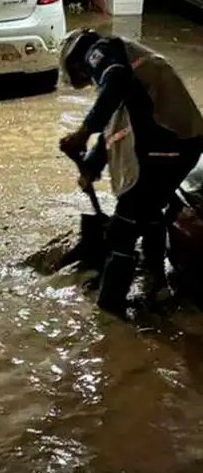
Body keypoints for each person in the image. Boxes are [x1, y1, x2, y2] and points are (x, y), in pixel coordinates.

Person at [59, 28, 203, 315]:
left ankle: (109, 311)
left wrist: (83, 132)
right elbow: (113, 133)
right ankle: (156, 280)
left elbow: (114, 83)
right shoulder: (125, 72)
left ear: (77, 62)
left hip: (168, 144)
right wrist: (91, 167)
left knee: (122, 228)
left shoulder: (101, 52)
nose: (87, 80)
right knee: (148, 211)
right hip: (182, 143)